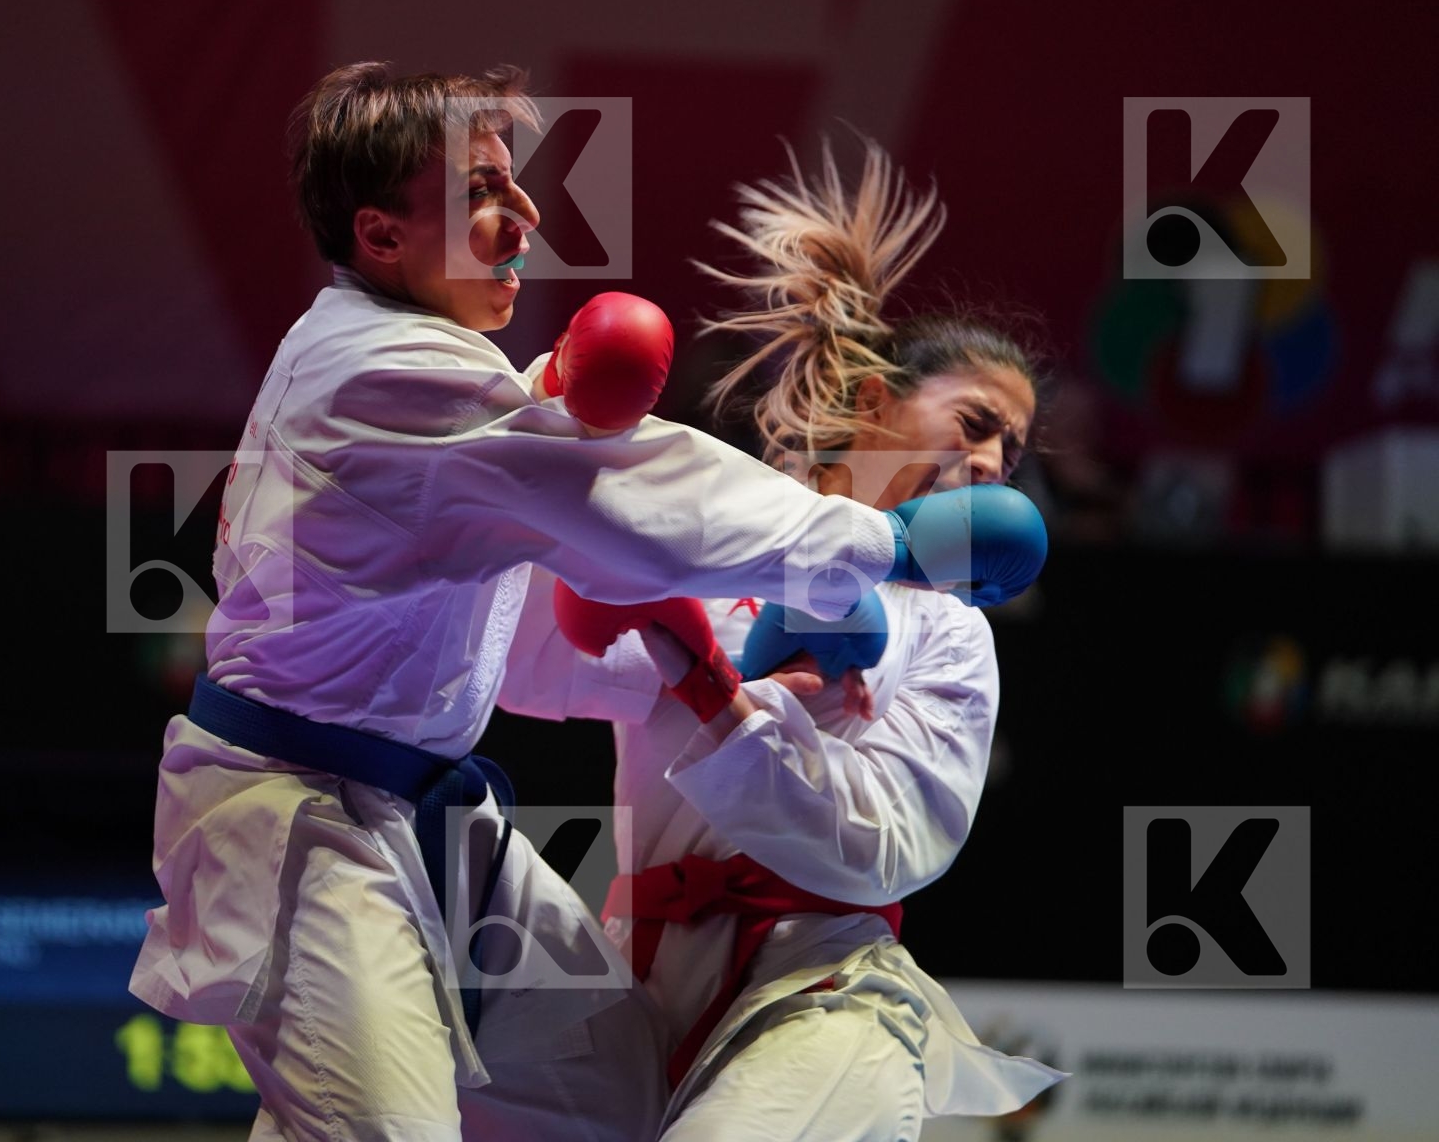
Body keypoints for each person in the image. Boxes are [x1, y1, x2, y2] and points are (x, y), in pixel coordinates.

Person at [125, 64, 1017, 1142]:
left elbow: (882, 842)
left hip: (450, 828)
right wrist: (883, 547)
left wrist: (699, 658)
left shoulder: (444, 383)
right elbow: (615, 517)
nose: (528, 214)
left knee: (607, 1097)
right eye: (483, 193)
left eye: (517, 183)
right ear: (383, 236)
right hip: (308, 822)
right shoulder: (392, 376)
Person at [502, 138, 1067, 1139]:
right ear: (874, 403)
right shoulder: (730, 541)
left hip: (824, 991)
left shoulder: (950, 633)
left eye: (1011, 451)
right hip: (628, 985)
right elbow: (537, 670)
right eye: (975, 422)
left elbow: (889, 848)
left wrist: (719, 697)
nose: (992, 459)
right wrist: (549, 431)